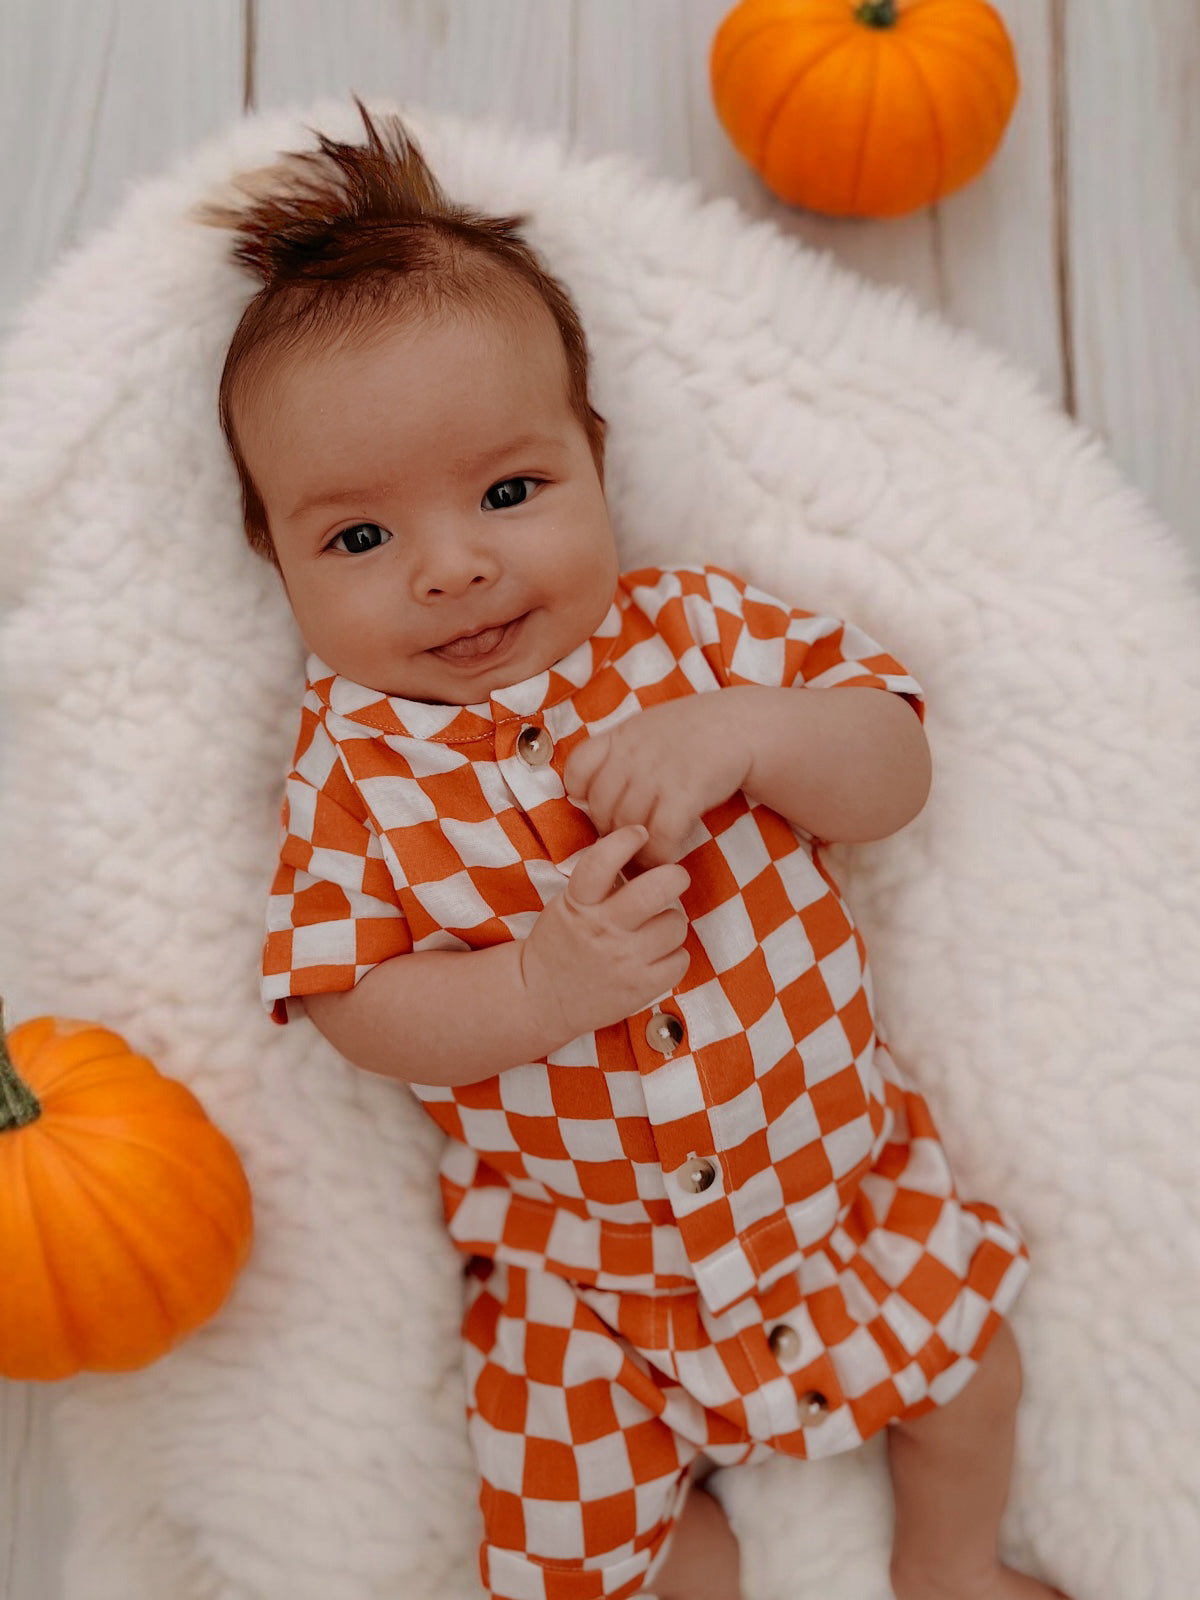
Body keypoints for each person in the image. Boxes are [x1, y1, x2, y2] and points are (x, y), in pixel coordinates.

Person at [206, 103, 1066, 1600]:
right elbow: (350, 997)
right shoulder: (350, 766)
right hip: (585, 1283)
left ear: (594, 463)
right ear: (271, 558)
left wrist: (749, 735)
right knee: (581, 1553)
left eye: (508, 493)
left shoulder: (706, 638)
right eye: (358, 541)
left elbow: (894, 771)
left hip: (841, 1192)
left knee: (970, 1378)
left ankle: (951, 1569)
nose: (453, 564)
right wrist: (533, 992)